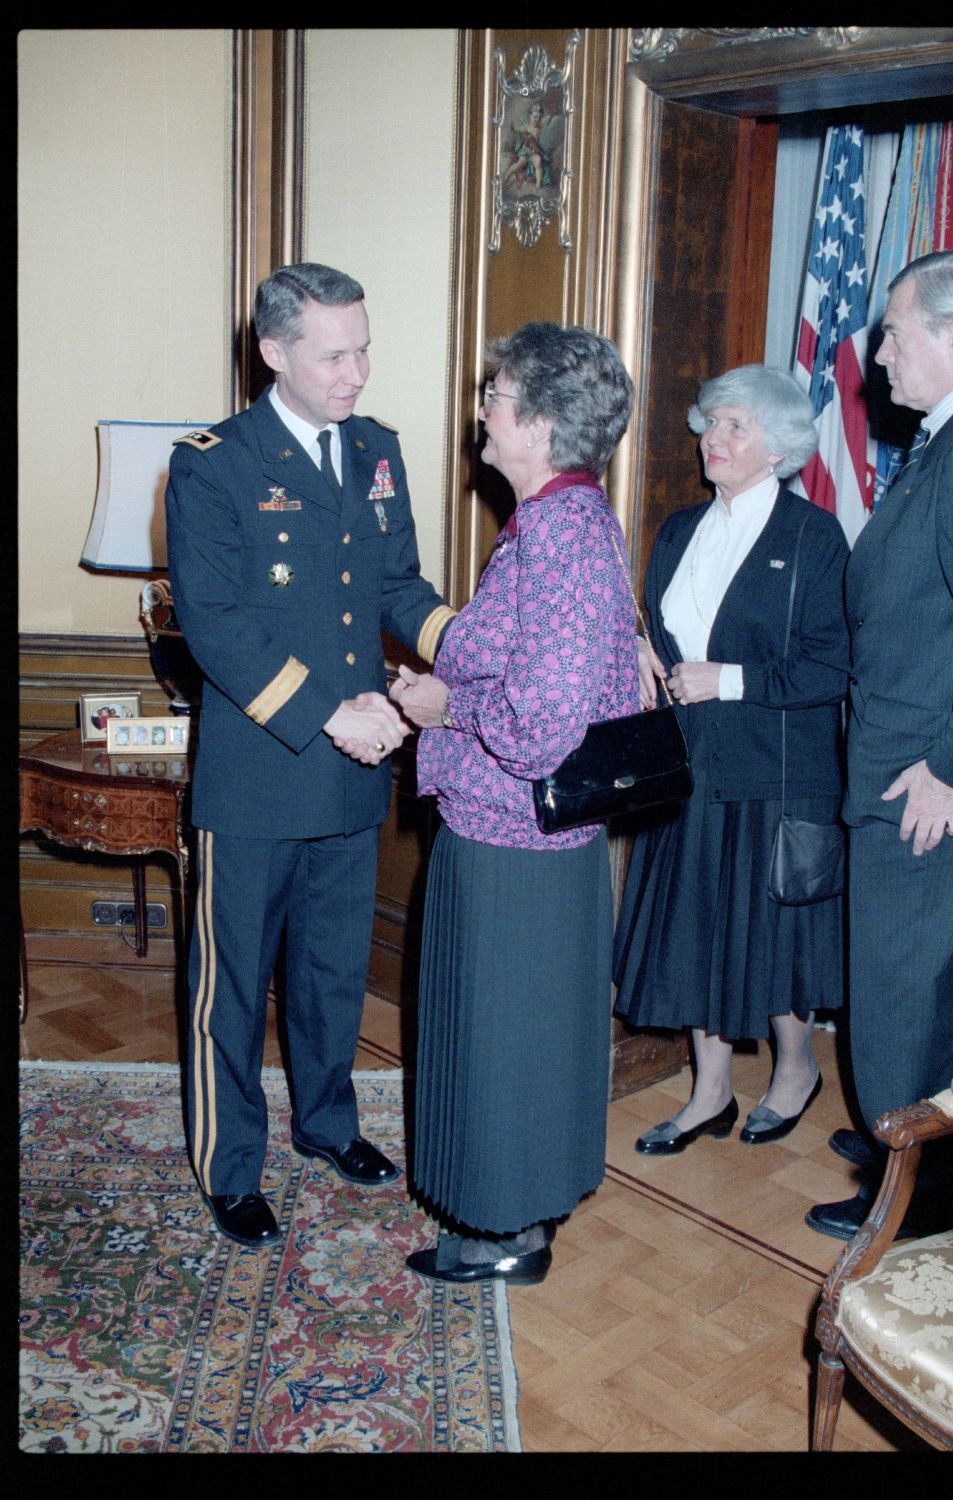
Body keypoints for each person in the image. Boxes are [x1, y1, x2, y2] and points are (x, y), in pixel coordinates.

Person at [165, 262, 456, 1249]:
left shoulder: (375, 453)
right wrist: (336, 711)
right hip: (258, 774)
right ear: (273, 351)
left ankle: (328, 1126)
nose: (357, 371)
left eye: (364, 346)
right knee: (234, 982)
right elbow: (216, 625)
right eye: (334, 354)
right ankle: (227, 1165)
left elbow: (398, 588)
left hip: (353, 770)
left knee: (333, 967)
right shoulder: (213, 462)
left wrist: (468, 642)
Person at [388, 322, 639, 1285]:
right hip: (530, 840)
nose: (479, 409)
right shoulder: (565, 522)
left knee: (499, 1040)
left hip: (513, 845)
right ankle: (518, 1220)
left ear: (535, 423)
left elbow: (538, 724)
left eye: (493, 393)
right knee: (523, 1036)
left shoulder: (562, 535)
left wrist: (446, 703)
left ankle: (498, 1237)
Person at [613, 366, 849, 1155]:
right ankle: (708, 1092)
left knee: (770, 939)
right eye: (711, 422)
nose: (713, 438)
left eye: (735, 426)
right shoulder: (681, 529)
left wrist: (730, 679)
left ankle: (794, 1070)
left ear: (779, 447)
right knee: (696, 933)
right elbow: (663, 635)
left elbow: (834, 667)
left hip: (774, 774)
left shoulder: (813, 538)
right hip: (690, 768)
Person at [806, 250, 953, 1240]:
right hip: (908, 769)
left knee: (905, 999)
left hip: (924, 789)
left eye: (894, 331)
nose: (876, 354)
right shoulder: (948, 444)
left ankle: (907, 1214)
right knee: (915, 995)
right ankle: (904, 1152)